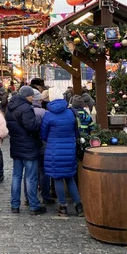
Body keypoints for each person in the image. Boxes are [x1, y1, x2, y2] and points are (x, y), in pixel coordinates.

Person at [40, 87, 84, 218]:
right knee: (70, 177)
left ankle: (63, 207)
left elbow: (43, 134)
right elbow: (77, 132)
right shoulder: (71, 112)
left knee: (57, 178)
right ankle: (78, 206)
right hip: (69, 150)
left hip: (54, 150)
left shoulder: (48, 114)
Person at [6, 86, 46, 215]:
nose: (33, 98)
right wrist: (38, 121)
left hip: (16, 145)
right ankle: (34, 205)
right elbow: (31, 127)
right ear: (26, 96)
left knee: (16, 176)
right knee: (30, 177)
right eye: (31, 96)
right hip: (28, 146)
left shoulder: (10, 107)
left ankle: (15, 205)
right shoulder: (26, 108)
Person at [31, 90, 53, 205]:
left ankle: (29, 196)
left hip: (30, 146)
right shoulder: (44, 113)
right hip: (43, 145)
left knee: (30, 173)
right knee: (44, 172)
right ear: (39, 100)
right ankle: (46, 196)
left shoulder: (27, 111)